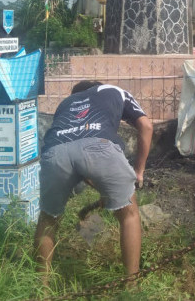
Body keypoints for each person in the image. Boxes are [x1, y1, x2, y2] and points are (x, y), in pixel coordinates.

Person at [34, 80, 153, 282]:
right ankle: (132, 286)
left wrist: (103, 189)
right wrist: (139, 171)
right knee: (129, 214)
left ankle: (40, 289)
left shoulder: (66, 103)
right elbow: (146, 126)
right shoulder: (114, 90)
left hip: (54, 152)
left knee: (48, 219)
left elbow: (77, 155)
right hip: (100, 147)